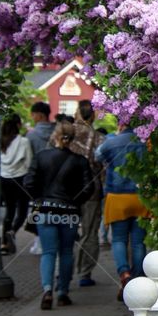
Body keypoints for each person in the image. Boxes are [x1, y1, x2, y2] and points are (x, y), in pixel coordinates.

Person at [24, 120, 94, 310]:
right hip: (69, 212)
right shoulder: (80, 161)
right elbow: (90, 188)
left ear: (55, 135)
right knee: (66, 252)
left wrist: (39, 198)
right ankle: (63, 291)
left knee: (48, 252)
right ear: (73, 138)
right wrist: (75, 201)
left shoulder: (41, 157)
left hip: (45, 211)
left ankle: (47, 290)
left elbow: (29, 182)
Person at [53, 100, 104, 287]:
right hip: (91, 189)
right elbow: (102, 166)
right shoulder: (98, 138)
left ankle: (61, 274)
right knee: (89, 233)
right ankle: (84, 273)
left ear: (76, 113)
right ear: (93, 115)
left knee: (64, 232)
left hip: (65, 190)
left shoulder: (64, 134)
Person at [95, 123, 148, 301]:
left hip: (117, 196)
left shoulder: (111, 142)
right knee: (138, 242)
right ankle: (138, 280)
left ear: (120, 123)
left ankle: (124, 274)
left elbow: (97, 156)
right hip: (141, 197)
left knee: (118, 239)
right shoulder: (145, 141)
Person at [0, 114, 33, 255]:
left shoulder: (1, 142)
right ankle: (12, 231)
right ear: (18, 125)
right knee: (22, 212)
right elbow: (29, 162)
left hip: (4, 179)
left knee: (9, 210)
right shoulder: (24, 141)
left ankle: (3, 245)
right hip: (21, 179)